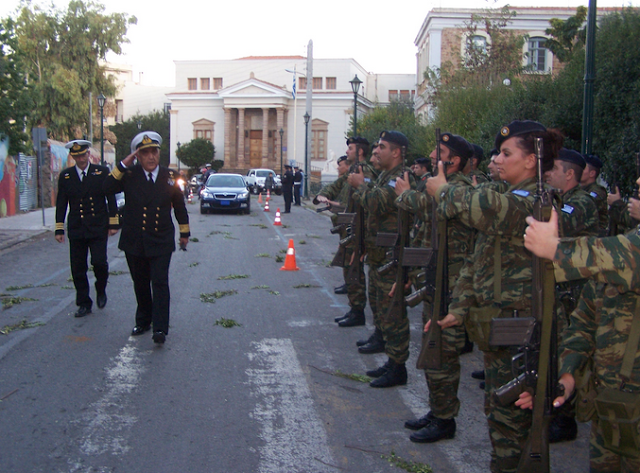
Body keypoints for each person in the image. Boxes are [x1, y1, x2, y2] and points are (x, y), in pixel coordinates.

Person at [425, 120, 563, 472]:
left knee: (514, 432)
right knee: (501, 424)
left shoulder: (537, 202)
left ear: (532, 160)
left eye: (506, 153)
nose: (496, 160)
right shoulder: (510, 196)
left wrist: (443, 190)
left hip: (523, 336)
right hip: (499, 331)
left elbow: (484, 206)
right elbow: (479, 260)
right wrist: (460, 305)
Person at [520, 208, 640, 473]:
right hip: (612, 413)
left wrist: (556, 249)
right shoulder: (617, 256)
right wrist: (568, 374)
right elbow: (584, 325)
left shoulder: (623, 253)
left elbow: (626, 254)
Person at [395, 132, 476, 443]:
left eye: (439, 151)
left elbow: (428, 206)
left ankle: (445, 420)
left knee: (442, 354)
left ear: (453, 161)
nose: (431, 154)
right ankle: (438, 410)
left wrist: (404, 194)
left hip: (453, 285)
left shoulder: (458, 189)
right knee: (434, 351)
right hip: (437, 278)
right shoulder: (444, 188)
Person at [103, 131, 190, 344]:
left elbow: (179, 206)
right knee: (140, 283)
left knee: (159, 282)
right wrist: (123, 164)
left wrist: (184, 233)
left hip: (161, 239)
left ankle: (160, 328)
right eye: (145, 153)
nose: (151, 157)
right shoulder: (129, 175)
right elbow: (105, 187)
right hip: (135, 240)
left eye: (154, 152)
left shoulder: (169, 177)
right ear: (138, 156)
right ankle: (143, 320)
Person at [348, 130, 415, 387]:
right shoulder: (385, 176)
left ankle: (398, 367)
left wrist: (360, 185)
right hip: (379, 255)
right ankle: (390, 359)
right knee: (380, 308)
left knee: (393, 314)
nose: (376, 151)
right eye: (375, 147)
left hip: (393, 256)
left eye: (382, 147)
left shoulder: (399, 177)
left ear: (396, 152)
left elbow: (378, 204)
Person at [55, 140, 119, 318]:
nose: (81, 159)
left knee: (99, 262)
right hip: (77, 227)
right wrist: (59, 228)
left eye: (83, 155)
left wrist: (114, 222)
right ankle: (83, 302)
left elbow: (110, 198)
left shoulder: (101, 172)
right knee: (78, 268)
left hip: (98, 225)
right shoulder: (66, 176)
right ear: (73, 157)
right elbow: (61, 203)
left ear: (88, 154)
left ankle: (101, 288)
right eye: (76, 156)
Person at [335, 136, 378, 330]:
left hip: (359, 228)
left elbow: (368, 201)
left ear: (360, 152)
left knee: (354, 270)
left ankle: (358, 311)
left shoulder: (365, 172)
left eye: (351, 149)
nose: (348, 152)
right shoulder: (352, 171)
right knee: (349, 268)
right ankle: (354, 308)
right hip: (350, 226)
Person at [314, 156, 351, 294]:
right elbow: (332, 187)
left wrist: (334, 204)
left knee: (351, 258)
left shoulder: (357, 176)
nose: (337, 167)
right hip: (343, 222)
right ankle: (349, 284)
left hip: (352, 223)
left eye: (340, 165)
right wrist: (322, 196)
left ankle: (352, 287)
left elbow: (348, 204)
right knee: (346, 256)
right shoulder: (347, 177)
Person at [581, 153, 609, 236]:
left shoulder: (597, 191)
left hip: (595, 238)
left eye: (582, 168)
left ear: (592, 173)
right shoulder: (580, 189)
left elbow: (584, 206)